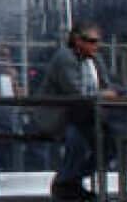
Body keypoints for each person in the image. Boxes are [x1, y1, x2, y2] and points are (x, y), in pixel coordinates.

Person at [37, 20, 116, 202]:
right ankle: (67, 182)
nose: (95, 45)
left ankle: (70, 179)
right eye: (90, 41)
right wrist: (104, 93)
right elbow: (76, 91)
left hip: (87, 116)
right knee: (78, 138)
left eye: (97, 41)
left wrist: (110, 92)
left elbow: (108, 84)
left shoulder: (96, 59)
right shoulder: (65, 57)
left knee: (110, 144)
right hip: (60, 116)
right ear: (77, 40)